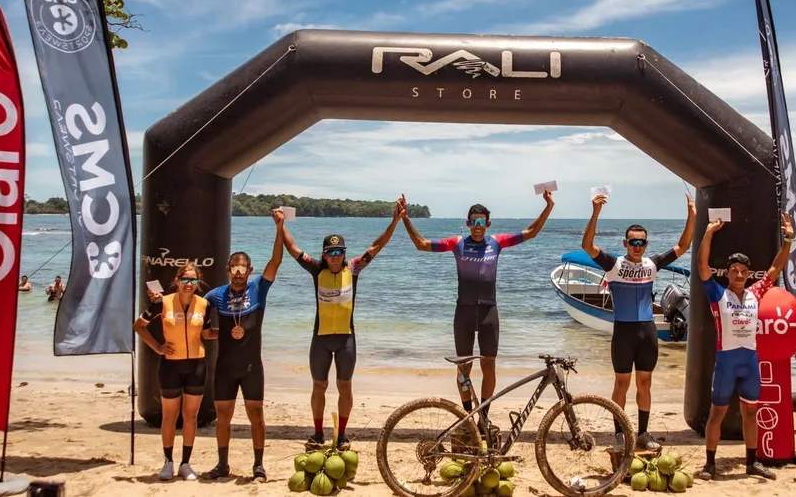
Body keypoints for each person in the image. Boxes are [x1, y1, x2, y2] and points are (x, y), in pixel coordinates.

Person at [400, 190, 554, 426]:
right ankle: (467, 416)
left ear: (488, 224)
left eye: (482, 222)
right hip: (463, 312)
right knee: (464, 367)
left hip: (488, 312)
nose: (478, 226)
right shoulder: (457, 243)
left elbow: (531, 232)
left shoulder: (497, 242)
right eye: (474, 222)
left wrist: (548, 207)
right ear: (468, 223)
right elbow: (421, 244)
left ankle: (483, 417)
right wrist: (405, 218)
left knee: (488, 365)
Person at [281, 200, 403, 449]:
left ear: (344, 254)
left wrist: (395, 220)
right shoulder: (317, 270)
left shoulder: (354, 268)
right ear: (324, 254)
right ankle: (318, 434)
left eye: (339, 252)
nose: (335, 257)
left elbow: (377, 246)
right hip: (321, 339)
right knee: (319, 385)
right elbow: (293, 249)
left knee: (344, 386)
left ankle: (342, 435)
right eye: (330, 253)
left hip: (346, 338)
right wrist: (280, 225)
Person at [581, 192, 695, 451]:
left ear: (646, 243)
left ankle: (643, 433)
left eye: (641, 242)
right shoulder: (613, 265)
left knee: (645, 383)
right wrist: (596, 212)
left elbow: (684, 245)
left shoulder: (652, 264)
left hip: (646, 332)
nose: (637, 246)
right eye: (633, 242)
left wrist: (692, 214)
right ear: (625, 243)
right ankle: (619, 434)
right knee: (621, 384)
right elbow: (587, 245)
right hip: (623, 332)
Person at [695, 213, 794, 481]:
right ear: (727, 273)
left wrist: (788, 239)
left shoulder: (756, 293)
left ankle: (752, 462)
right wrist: (708, 233)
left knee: (751, 412)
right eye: (734, 270)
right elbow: (702, 265)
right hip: (726, 363)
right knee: (717, 413)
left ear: (748, 275)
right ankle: (709, 464)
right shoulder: (718, 294)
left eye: (743, 271)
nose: (739, 274)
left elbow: (776, 268)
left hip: (749, 362)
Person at [200, 210, 286, 482]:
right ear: (228, 270)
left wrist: (280, 228)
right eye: (234, 269)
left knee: (255, 415)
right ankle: (222, 465)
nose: (238, 274)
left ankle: (258, 466)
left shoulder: (259, 288)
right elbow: (198, 323)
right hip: (225, 368)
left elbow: (276, 261)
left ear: (250, 270)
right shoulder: (215, 296)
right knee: (223, 416)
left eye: (243, 269)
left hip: (251, 368)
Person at [134, 262, 218, 482]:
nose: (189, 283)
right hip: (170, 365)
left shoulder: (204, 304)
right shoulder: (162, 303)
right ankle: (168, 462)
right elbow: (138, 326)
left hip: (196, 366)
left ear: (198, 282)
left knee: (190, 416)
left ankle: (185, 464)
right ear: (177, 280)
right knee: (169, 416)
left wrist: (230, 331)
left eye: (193, 280)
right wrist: (157, 347)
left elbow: (207, 333)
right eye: (185, 279)